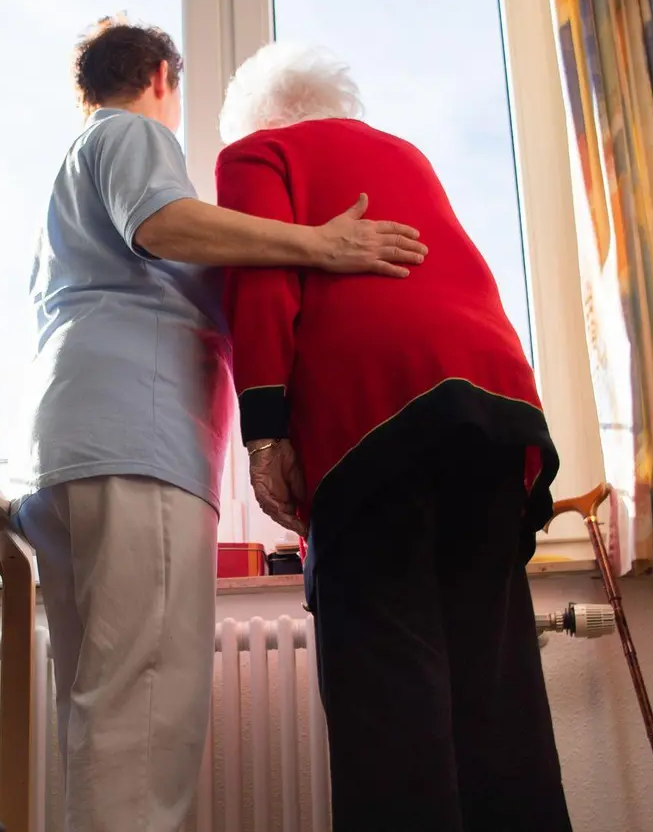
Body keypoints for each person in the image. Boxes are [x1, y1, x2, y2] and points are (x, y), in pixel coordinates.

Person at [15, 18, 426, 832]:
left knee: (103, 716)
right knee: (144, 720)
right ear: (164, 76)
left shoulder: (72, 180)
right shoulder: (131, 133)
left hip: (69, 451)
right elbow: (163, 224)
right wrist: (318, 243)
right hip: (135, 446)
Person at [215, 41, 571, 831]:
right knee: (496, 697)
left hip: (374, 423)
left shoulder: (255, 154)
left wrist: (267, 433)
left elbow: (262, 282)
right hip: (494, 414)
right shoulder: (403, 155)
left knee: (390, 703)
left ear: (252, 117)